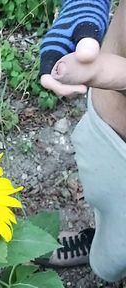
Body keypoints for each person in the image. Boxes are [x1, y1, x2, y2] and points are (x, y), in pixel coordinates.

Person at [38, 0, 126, 283]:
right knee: (113, 225)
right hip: (108, 127)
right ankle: (98, 242)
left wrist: (119, 76)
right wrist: (82, 11)